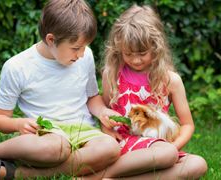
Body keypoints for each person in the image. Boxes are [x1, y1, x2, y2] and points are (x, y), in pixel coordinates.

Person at [0, 0, 122, 179]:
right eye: (76, 48)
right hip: (48, 134)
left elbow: (92, 97)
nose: (81, 54)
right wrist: (19, 124)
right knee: (57, 148)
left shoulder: (85, 56)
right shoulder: (17, 67)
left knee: (110, 148)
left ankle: (18, 174)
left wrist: (102, 112)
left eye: (84, 47)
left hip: (83, 130)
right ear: (51, 39)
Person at [82, 4, 208, 179]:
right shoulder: (112, 75)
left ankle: (108, 177)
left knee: (197, 164)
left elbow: (188, 124)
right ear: (119, 49)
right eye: (128, 53)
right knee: (166, 157)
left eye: (142, 53)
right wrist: (107, 128)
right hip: (124, 144)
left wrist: (174, 146)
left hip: (158, 147)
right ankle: (101, 175)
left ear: (156, 47)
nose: (135, 59)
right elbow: (106, 112)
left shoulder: (170, 80)